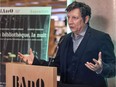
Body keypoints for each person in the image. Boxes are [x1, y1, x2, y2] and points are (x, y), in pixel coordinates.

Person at [18, 1, 116, 87]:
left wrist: (101, 68)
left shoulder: (101, 38)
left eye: (75, 18)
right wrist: (35, 61)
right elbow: (57, 66)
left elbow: (113, 69)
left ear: (86, 19)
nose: (70, 21)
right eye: (68, 17)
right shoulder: (64, 39)